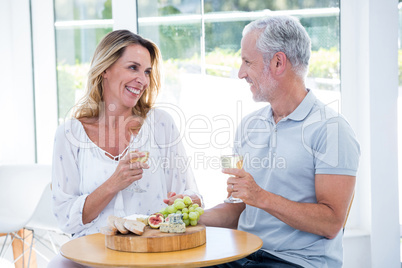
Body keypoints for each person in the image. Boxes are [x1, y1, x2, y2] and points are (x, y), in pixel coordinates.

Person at [199, 15, 360, 268]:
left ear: (277, 62)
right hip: (243, 256)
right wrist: (190, 218)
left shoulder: (332, 129)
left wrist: (261, 197)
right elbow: (238, 209)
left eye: (247, 62)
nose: (241, 74)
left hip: (296, 262)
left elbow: (330, 223)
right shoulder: (248, 126)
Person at [49, 30, 202, 267]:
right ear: (105, 70)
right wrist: (113, 183)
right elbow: (66, 218)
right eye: (133, 67)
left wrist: (186, 201)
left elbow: (190, 193)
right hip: (92, 253)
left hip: (151, 249)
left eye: (147, 71)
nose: (142, 79)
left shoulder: (160, 124)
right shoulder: (70, 134)